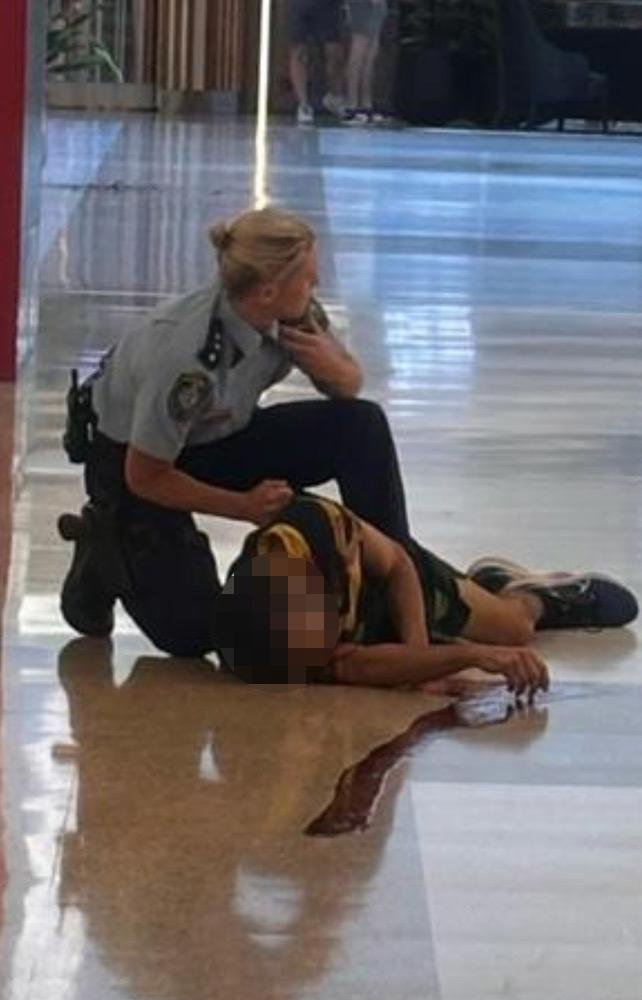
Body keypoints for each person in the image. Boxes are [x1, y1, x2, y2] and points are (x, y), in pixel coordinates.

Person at [58, 207, 411, 658]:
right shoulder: (187, 358)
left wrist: (333, 370)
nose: (317, 285)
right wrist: (243, 507)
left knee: (361, 426)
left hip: (218, 435)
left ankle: (394, 584)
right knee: (194, 633)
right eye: (309, 278)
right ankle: (100, 551)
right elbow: (145, 475)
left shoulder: (291, 310)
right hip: (132, 459)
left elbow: (349, 382)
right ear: (267, 291)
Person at [214, 493, 639, 695]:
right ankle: (473, 610)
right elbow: (353, 666)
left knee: (514, 631)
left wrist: (416, 653)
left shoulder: (322, 525)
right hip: (361, 624)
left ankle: (531, 593)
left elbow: (397, 563)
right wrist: (465, 658)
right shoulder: (251, 642)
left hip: (403, 587)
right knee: (465, 654)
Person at [287, 0, 346, 125]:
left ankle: (334, 96)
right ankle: (303, 104)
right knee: (299, 51)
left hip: (328, 5)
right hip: (299, 5)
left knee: (335, 53)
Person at [342, 0, 388, 124]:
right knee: (358, 51)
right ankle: (352, 106)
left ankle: (366, 105)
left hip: (378, 5)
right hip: (360, 5)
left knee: (370, 55)